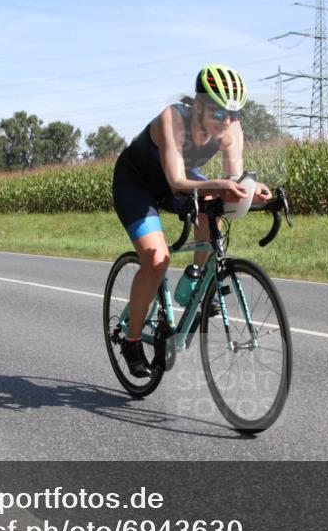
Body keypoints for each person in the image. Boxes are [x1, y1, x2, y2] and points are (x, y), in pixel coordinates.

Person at [112, 64, 272, 378]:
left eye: (234, 114)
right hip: (139, 185)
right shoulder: (172, 119)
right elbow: (176, 182)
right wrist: (221, 185)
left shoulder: (230, 130)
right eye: (218, 112)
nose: (226, 121)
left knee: (214, 205)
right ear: (198, 105)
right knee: (156, 259)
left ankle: (196, 279)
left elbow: (232, 179)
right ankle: (131, 341)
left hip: (183, 181)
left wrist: (253, 192)